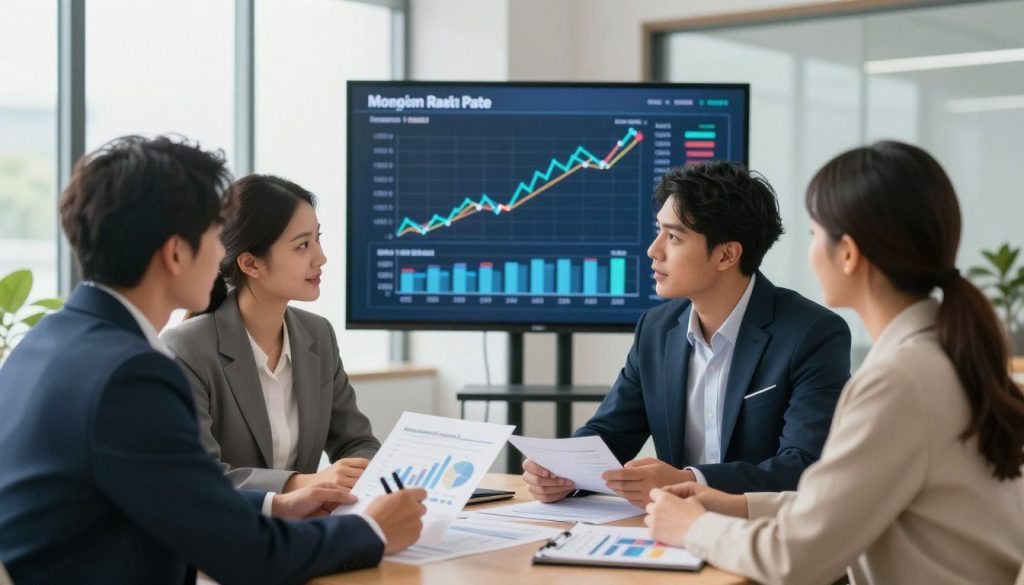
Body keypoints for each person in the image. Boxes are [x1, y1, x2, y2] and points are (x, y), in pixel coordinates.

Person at [0, 136, 426, 584]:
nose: (223, 252)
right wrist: (372, 530)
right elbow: (248, 557)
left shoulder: (47, 340)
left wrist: (274, 503)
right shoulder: (131, 374)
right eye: (213, 234)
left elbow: (174, 496)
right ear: (176, 252)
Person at [646, 141, 1024, 585]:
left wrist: (693, 527)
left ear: (847, 253)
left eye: (813, 234)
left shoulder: (899, 383)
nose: (808, 253)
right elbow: (846, 505)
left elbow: (795, 559)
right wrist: (736, 504)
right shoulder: (940, 354)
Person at [523, 162, 852, 505]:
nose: (654, 250)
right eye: (658, 231)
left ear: (726, 254)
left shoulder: (813, 334)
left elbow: (804, 466)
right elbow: (610, 435)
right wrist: (562, 472)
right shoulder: (656, 328)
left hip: (758, 534)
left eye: (674, 237)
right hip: (670, 532)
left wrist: (690, 480)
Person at [162, 174, 379, 493]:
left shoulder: (318, 334)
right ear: (251, 264)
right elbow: (200, 475)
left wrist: (360, 473)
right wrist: (303, 484)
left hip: (308, 530)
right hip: (228, 534)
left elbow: (358, 443)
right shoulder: (185, 349)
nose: (321, 258)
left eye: (317, 239)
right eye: (303, 245)